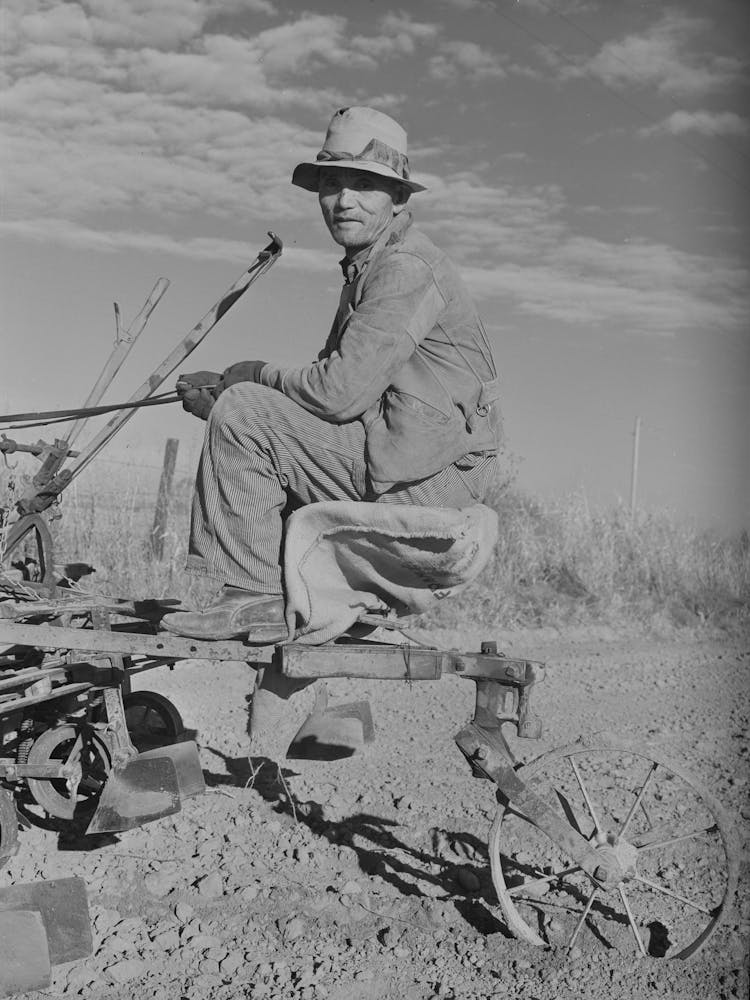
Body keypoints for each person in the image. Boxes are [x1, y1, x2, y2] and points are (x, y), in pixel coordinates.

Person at [163, 106, 504, 642]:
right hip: (411, 462)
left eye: (364, 184)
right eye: (332, 183)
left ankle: (250, 599)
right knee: (243, 414)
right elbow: (343, 398)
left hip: (432, 481)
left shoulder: (404, 268)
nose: (344, 200)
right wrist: (227, 395)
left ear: (399, 198)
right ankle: (305, 672)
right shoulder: (372, 265)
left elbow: (338, 394)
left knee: (246, 414)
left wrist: (250, 379)